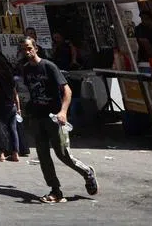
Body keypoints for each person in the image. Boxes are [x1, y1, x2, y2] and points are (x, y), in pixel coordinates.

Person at [19, 37, 98, 203]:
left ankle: (87, 172)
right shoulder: (26, 69)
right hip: (37, 117)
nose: (27, 52)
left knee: (62, 154)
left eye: (29, 48)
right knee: (43, 155)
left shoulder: (48, 66)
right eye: (24, 49)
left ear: (36, 48)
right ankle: (55, 190)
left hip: (54, 117)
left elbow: (67, 91)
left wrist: (63, 112)